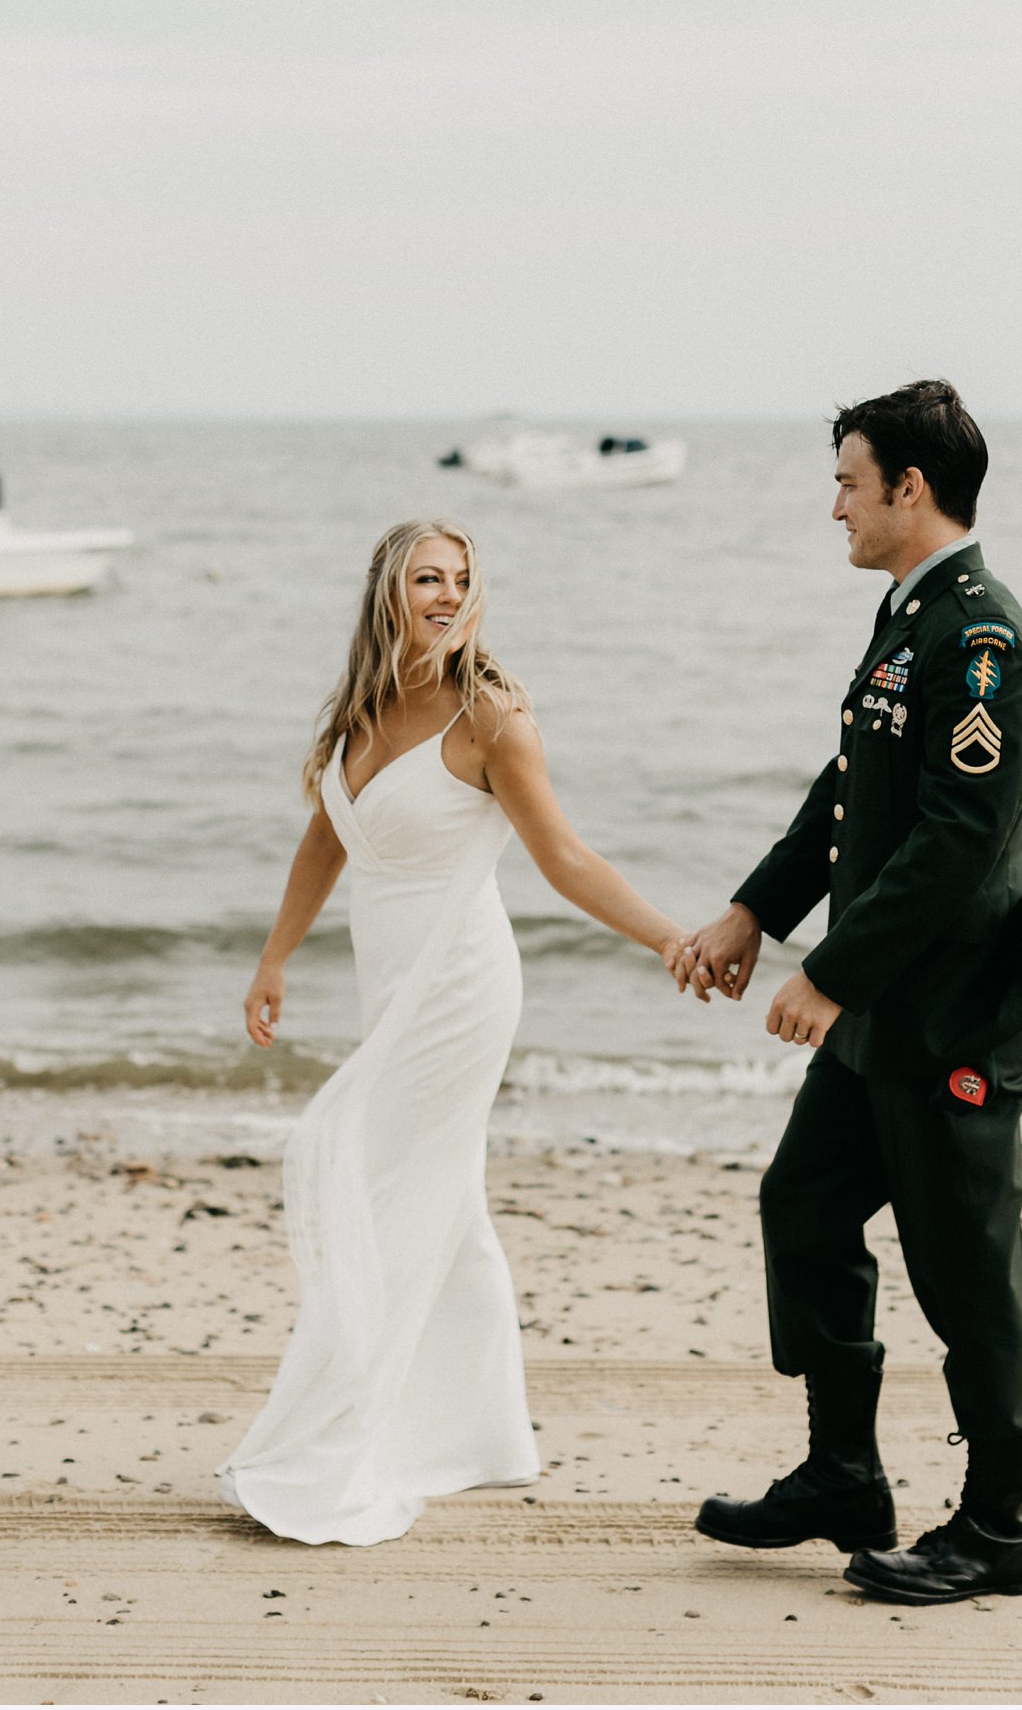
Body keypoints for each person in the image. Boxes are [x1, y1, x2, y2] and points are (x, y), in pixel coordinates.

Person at [218, 518, 686, 1546]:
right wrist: (274, 957)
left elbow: (564, 856)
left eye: (461, 579)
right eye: (427, 577)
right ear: (388, 590)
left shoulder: (490, 715)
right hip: (387, 983)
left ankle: (347, 1435)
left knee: (386, 1191)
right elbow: (322, 843)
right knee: (440, 1198)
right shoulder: (362, 709)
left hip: (460, 989)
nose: (445, 593)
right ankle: (478, 1434)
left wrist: (666, 938)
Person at [673, 380, 1022, 1606]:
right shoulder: (908, 621)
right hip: (879, 1016)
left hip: (948, 1017)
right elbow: (850, 796)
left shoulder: (981, 638)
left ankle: (1001, 1524)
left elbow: (953, 846)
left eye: (848, 479)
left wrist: (828, 974)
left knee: (964, 1265)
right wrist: (754, 910)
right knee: (805, 1206)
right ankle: (844, 1471)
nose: (832, 501)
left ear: (911, 487)